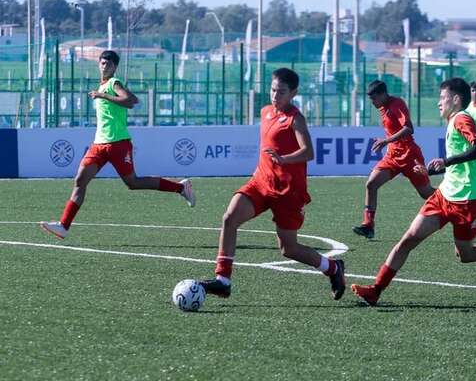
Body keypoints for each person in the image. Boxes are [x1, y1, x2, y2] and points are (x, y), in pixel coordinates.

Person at [351, 77, 476, 306]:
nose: (439, 103)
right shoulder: (453, 121)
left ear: (456, 99)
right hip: (444, 196)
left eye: (442, 98)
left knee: (466, 255)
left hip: (467, 200)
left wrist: (446, 161)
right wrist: (432, 169)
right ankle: (375, 290)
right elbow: (458, 165)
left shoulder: (461, 119)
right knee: (408, 240)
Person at [198, 68, 346, 300]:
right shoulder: (266, 111)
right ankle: (223, 280)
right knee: (229, 218)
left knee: (289, 249)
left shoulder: (296, 119)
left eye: (282, 92)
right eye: (273, 90)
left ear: (294, 93)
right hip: (261, 183)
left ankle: (334, 268)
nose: (275, 96)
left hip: (288, 192)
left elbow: (309, 152)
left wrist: (283, 159)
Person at [40, 50, 195, 239]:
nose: (104, 66)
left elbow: (132, 100)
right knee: (80, 180)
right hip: (99, 144)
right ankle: (63, 226)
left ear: (114, 67)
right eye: (102, 63)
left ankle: (181, 188)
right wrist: (101, 94)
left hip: (118, 143)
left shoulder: (113, 83)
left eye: (108, 64)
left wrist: (103, 96)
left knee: (133, 183)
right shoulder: (102, 85)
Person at [352, 80, 435, 240]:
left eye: (374, 99)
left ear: (383, 94)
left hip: (410, 156)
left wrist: (386, 141)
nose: (373, 103)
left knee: (426, 193)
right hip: (393, 156)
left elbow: (409, 128)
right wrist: (388, 141)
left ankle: (456, 202)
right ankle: (368, 225)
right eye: (371, 100)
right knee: (371, 184)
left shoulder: (397, 104)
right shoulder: (383, 107)